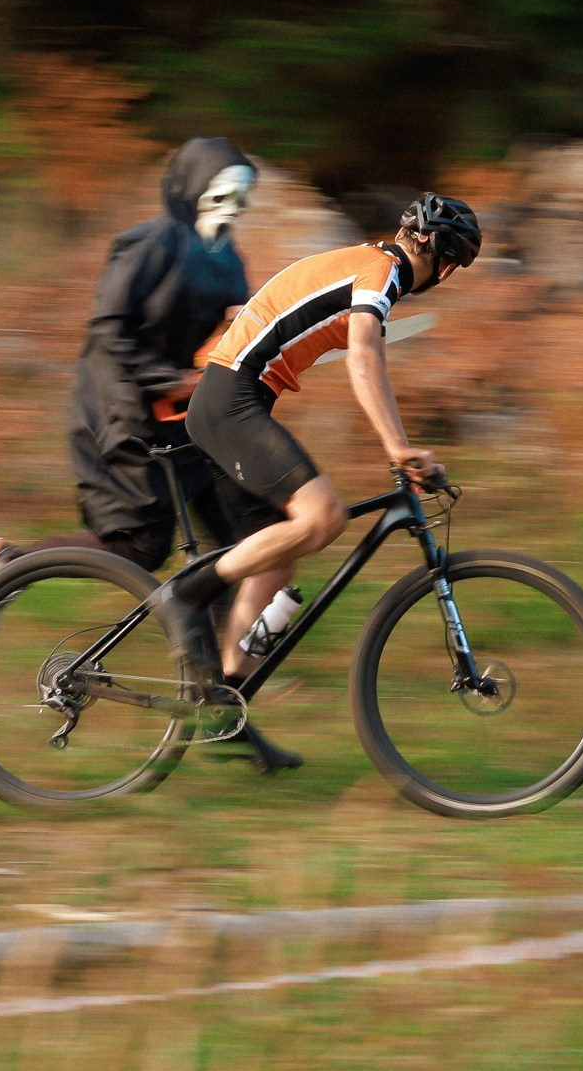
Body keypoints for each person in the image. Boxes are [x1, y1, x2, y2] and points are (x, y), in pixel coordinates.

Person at [151, 193, 482, 774]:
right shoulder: (380, 273)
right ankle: (187, 594)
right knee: (322, 517)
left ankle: (222, 707)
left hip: (239, 398)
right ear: (434, 249)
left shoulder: (369, 267)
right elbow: (363, 359)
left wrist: (397, 444)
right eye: (452, 261)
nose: (448, 275)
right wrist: (398, 448)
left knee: (279, 557)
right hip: (230, 400)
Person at [0, 137, 260, 594]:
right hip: (123, 409)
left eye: (242, 198)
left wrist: (242, 330)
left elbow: (235, 322)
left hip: (185, 417)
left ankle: (220, 663)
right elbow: (109, 328)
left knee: (241, 539)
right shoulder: (149, 245)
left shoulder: (227, 259)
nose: (234, 208)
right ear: (190, 191)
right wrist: (172, 379)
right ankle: (12, 564)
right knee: (142, 547)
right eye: (222, 195)